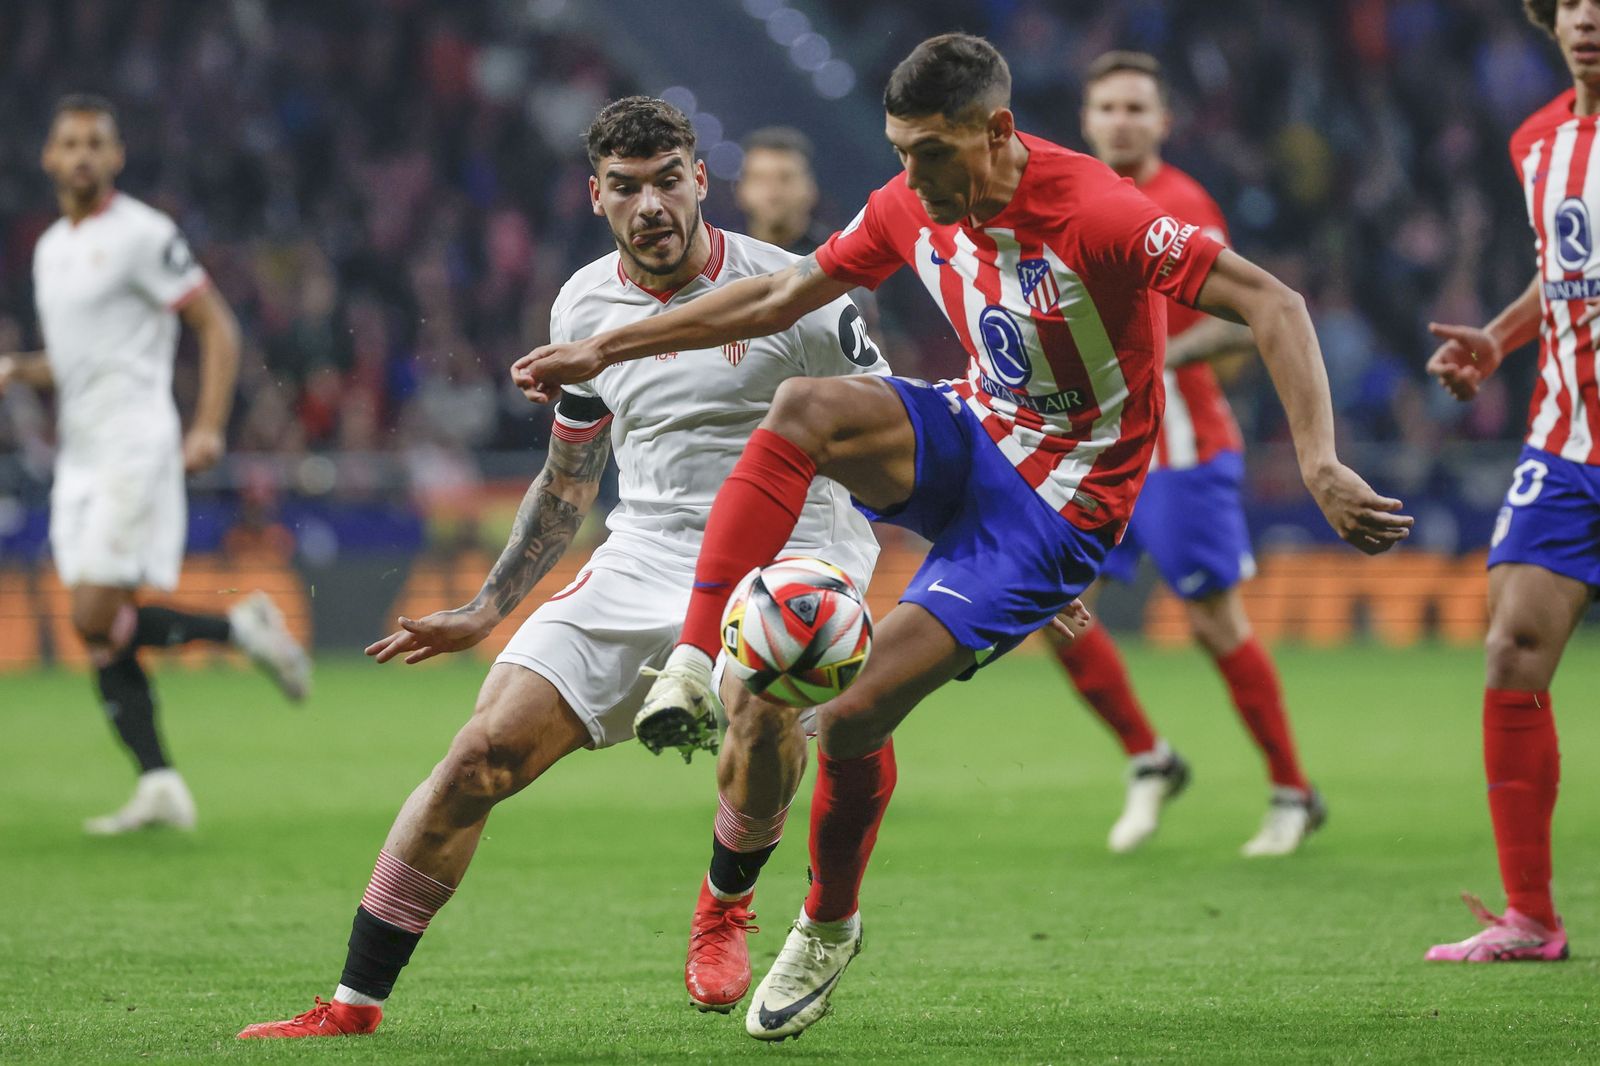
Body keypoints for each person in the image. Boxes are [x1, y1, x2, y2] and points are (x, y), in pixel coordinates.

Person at [515, 34, 1411, 1041]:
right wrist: (604, 346)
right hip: (976, 429)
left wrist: (1321, 463)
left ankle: (827, 923)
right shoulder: (911, 201)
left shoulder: (1100, 213)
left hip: (1059, 504)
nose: (912, 177)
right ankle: (691, 657)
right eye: (901, 152)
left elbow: (1272, 301)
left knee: (848, 715)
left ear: (996, 132)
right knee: (804, 406)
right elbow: (774, 296)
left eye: (931, 153)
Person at [237, 96, 890, 1039]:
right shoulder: (582, 304)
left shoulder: (794, 290)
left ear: (701, 180)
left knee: (761, 703)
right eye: (626, 188)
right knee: (478, 756)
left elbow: (895, 433)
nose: (651, 205)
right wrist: (486, 606)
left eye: (668, 181)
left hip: (791, 549)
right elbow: (570, 475)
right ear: (596, 196)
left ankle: (725, 902)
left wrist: (987, 546)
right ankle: (353, 1005)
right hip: (647, 549)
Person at [0, 95, 309, 835]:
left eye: (94, 143)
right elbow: (74, 363)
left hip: (133, 444)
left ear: (116, 156)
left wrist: (206, 426)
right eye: (69, 143)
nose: (81, 155)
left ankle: (240, 630)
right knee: (100, 631)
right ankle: (161, 782)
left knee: (92, 614)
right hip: (79, 454)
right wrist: (15, 368)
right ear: (48, 158)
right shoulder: (51, 249)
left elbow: (217, 325)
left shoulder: (144, 234)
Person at [1049, 51, 1322, 857]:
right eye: (1108, 107)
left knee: (1212, 624)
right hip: (1091, 449)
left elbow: (1243, 317)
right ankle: (1149, 757)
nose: (1121, 121)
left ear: (1164, 121)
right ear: (1086, 119)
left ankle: (1293, 792)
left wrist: (1158, 357)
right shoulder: (1065, 197)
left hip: (1181, 450)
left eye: (1137, 107)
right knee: (1049, 607)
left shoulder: (1183, 202)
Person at [1422, 0, 1599, 964]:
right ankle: (1531, 918)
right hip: (1566, 444)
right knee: (1511, 653)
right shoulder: (1536, 143)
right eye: (1570, 2)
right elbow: (1564, 275)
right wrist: (1497, 338)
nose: (1587, 18)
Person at [735, 126, 828, 254]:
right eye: (760, 179)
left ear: (810, 188)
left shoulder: (837, 261)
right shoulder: (724, 257)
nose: (772, 193)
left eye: (785, 178)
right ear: (741, 190)